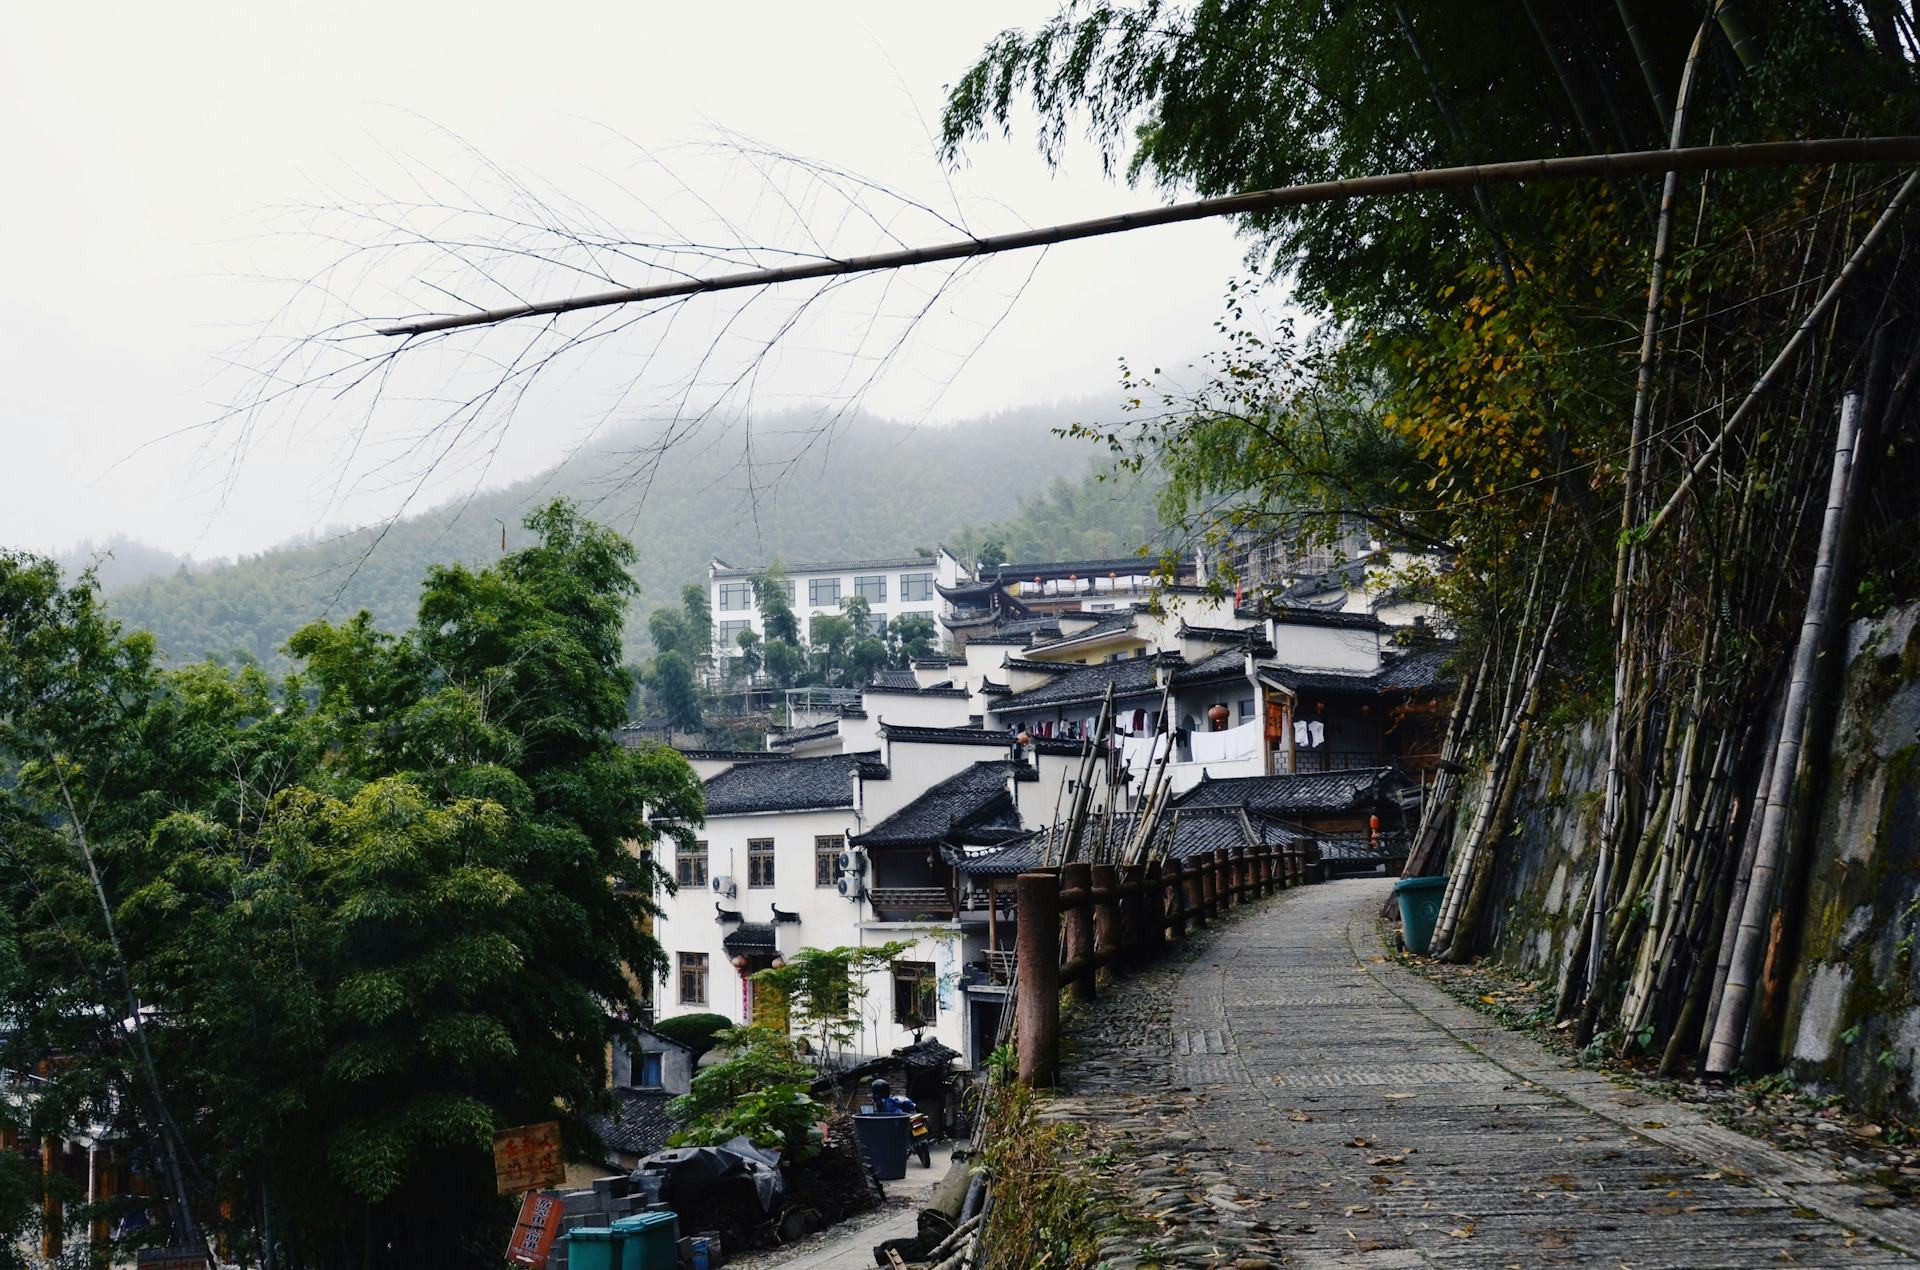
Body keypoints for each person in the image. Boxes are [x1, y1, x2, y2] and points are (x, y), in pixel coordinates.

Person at [870, 1079, 932, 1166]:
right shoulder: (897, 1098)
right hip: (907, 1120)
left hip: (899, 1123)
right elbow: (913, 1105)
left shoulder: (881, 1103)